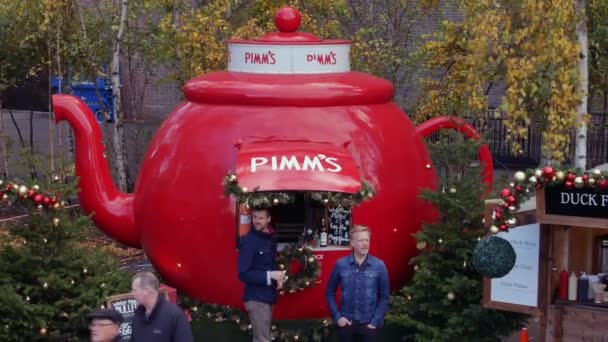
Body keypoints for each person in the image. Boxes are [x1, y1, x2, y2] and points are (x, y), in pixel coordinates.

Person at [326, 225, 390, 342]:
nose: (365, 243)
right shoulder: (341, 264)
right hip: (346, 324)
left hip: (369, 325)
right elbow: (330, 292)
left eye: (367, 240)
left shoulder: (379, 266)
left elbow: (384, 297)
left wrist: (374, 322)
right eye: (361, 240)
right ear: (352, 243)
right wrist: (338, 317)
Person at [237, 207, 286, 342]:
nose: (257, 221)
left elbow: (268, 263)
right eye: (254, 217)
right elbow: (243, 274)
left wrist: (278, 277)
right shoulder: (250, 241)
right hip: (256, 299)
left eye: (261, 218)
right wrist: (271, 275)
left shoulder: (270, 238)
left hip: (267, 296)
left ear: (268, 220)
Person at [130, 272, 194, 342]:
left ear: (147, 291)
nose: (132, 294)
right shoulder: (137, 316)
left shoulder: (174, 315)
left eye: (135, 290)